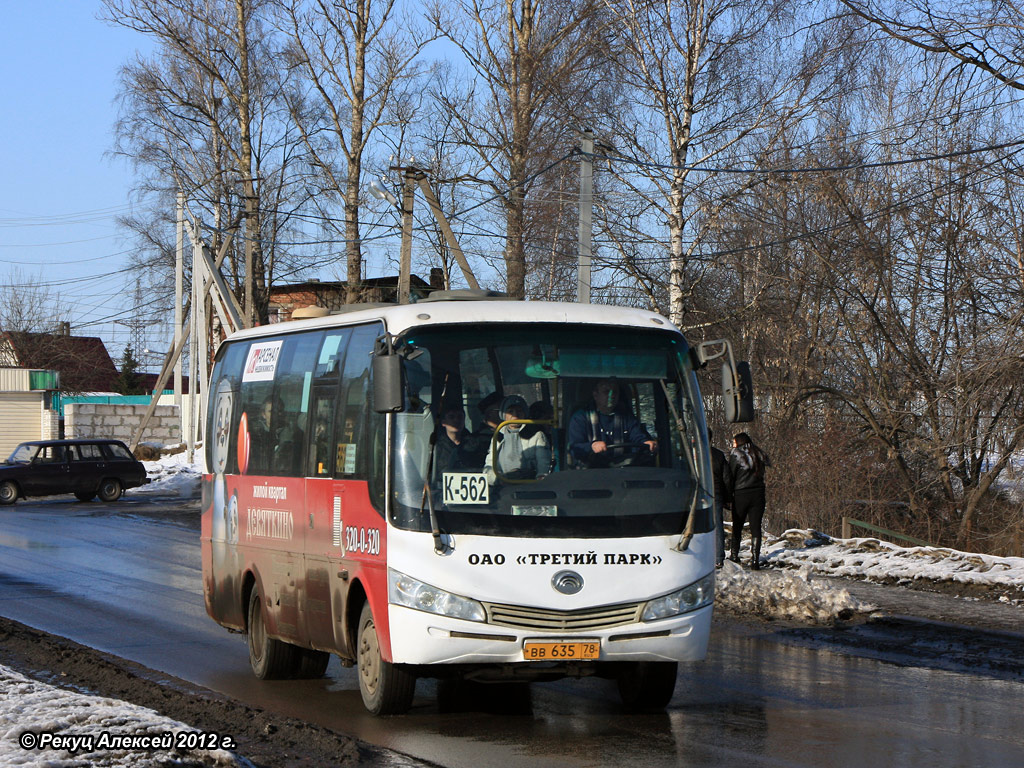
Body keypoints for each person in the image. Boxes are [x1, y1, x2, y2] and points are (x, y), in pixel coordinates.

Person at [567, 379, 657, 467]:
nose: (612, 395)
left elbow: (637, 436)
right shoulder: (580, 418)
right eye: (606, 392)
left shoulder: (627, 416)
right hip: (591, 472)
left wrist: (646, 443)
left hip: (623, 470)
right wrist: (592, 446)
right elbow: (575, 448)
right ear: (595, 395)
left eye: (615, 392)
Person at [723, 432, 770, 569]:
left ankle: (734, 555)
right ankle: (755, 560)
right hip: (758, 493)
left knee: (737, 526)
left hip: (741, 494)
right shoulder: (759, 453)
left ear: (738, 442)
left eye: (734, 442)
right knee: (756, 528)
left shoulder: (736, 454)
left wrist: (728, 496)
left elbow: (730, 476)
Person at [484, 395, 551, 484]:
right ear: (504, 416)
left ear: (525, 413)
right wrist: (496, 478)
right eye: (510, 411)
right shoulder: (498, 436)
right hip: (502, 485)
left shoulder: (536, 435)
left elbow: (543, 462)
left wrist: (540, 478)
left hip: (528, 484)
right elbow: (489, 464)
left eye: (519, 411)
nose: (515, 415)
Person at [462, 391, 502, 469]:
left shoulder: (510, 434)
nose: (506, 414)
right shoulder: (474, 440)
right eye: (500, 410)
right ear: (489, 414)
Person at [708, 428, 729, 568]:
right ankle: (718, 557)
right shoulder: (718, 455)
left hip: (695, 494)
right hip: (715, 493)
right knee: (717, 526)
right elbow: (726, 478)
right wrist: (727, 497)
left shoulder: (691, 454)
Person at [433, 405, 471, 479]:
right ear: (443, 422)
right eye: (451, 417)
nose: (456, 420)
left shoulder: (473, 445)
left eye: (460, 417)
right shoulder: (436, 448)